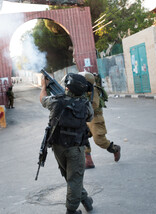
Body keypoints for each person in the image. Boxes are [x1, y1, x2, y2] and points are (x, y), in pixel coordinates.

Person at [40, 73, 94, 214]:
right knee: (74, 178)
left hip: (58, 147)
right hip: (75, 148)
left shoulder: (55, 100)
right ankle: (71, 211)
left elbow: (42, 100)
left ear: (68, 87)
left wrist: (43, 86)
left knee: (71, 177)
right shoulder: (85, 105)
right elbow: (90, 117)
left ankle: (85, 200)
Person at [78, 72, 121, 169]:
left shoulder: (94, 90)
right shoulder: (81, 90)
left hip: (95, 118)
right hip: (85, 118)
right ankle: (88, 161)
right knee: (82, 137)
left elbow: (94, 105)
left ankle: (115, 149)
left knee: (99, 140)